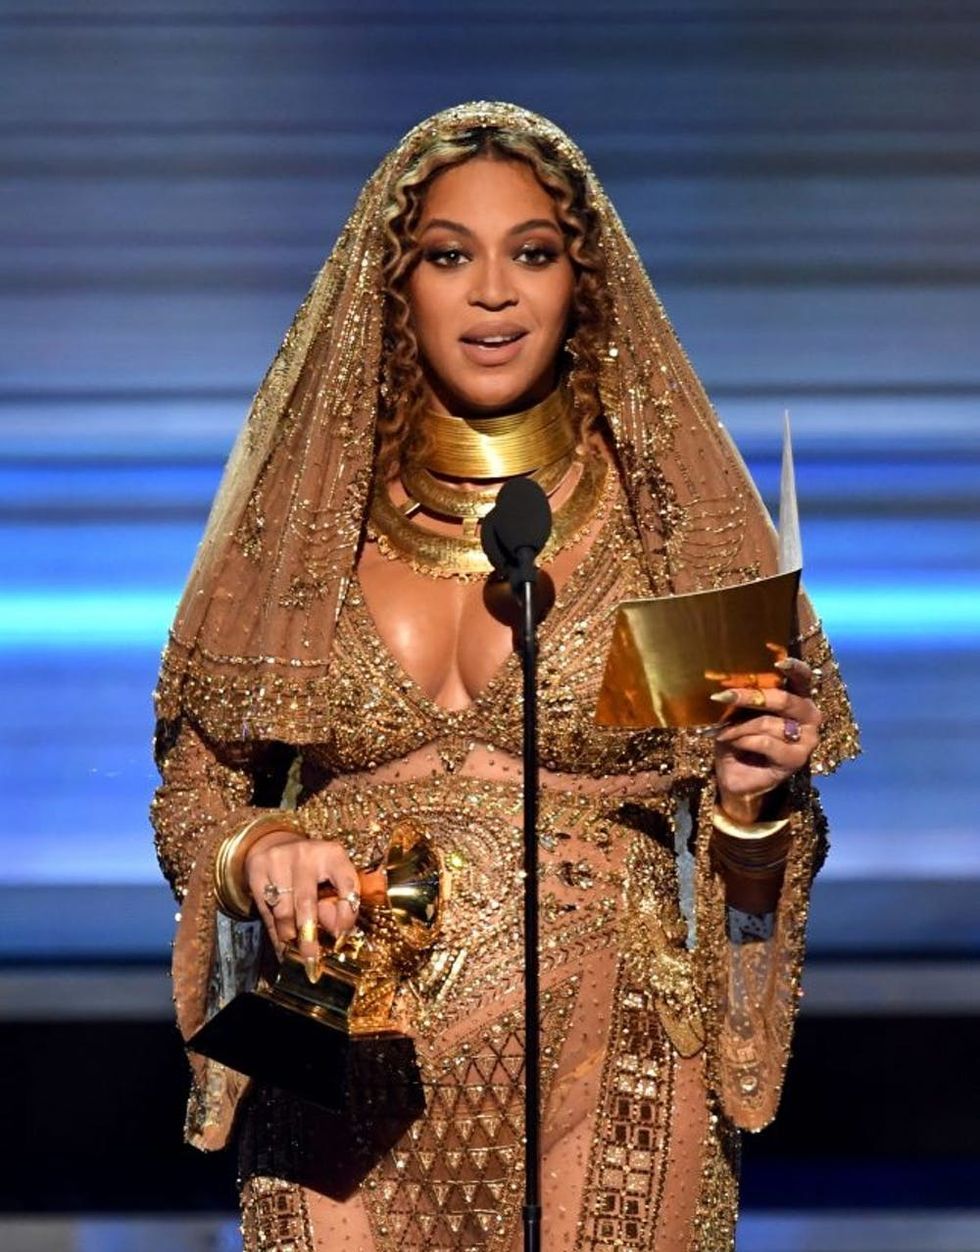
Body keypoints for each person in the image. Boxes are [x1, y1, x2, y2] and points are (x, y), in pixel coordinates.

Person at [150, 101, 859, 1252]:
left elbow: (748, 864)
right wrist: (261, 853)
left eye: (530, 253)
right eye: (448, 255)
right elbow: (195, 800)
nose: (492, 293)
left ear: (578, 281)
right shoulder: (304, 540)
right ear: (397, 285)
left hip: (611, 1057)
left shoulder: (658, 529)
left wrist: (748, 805)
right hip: (338, 1060)